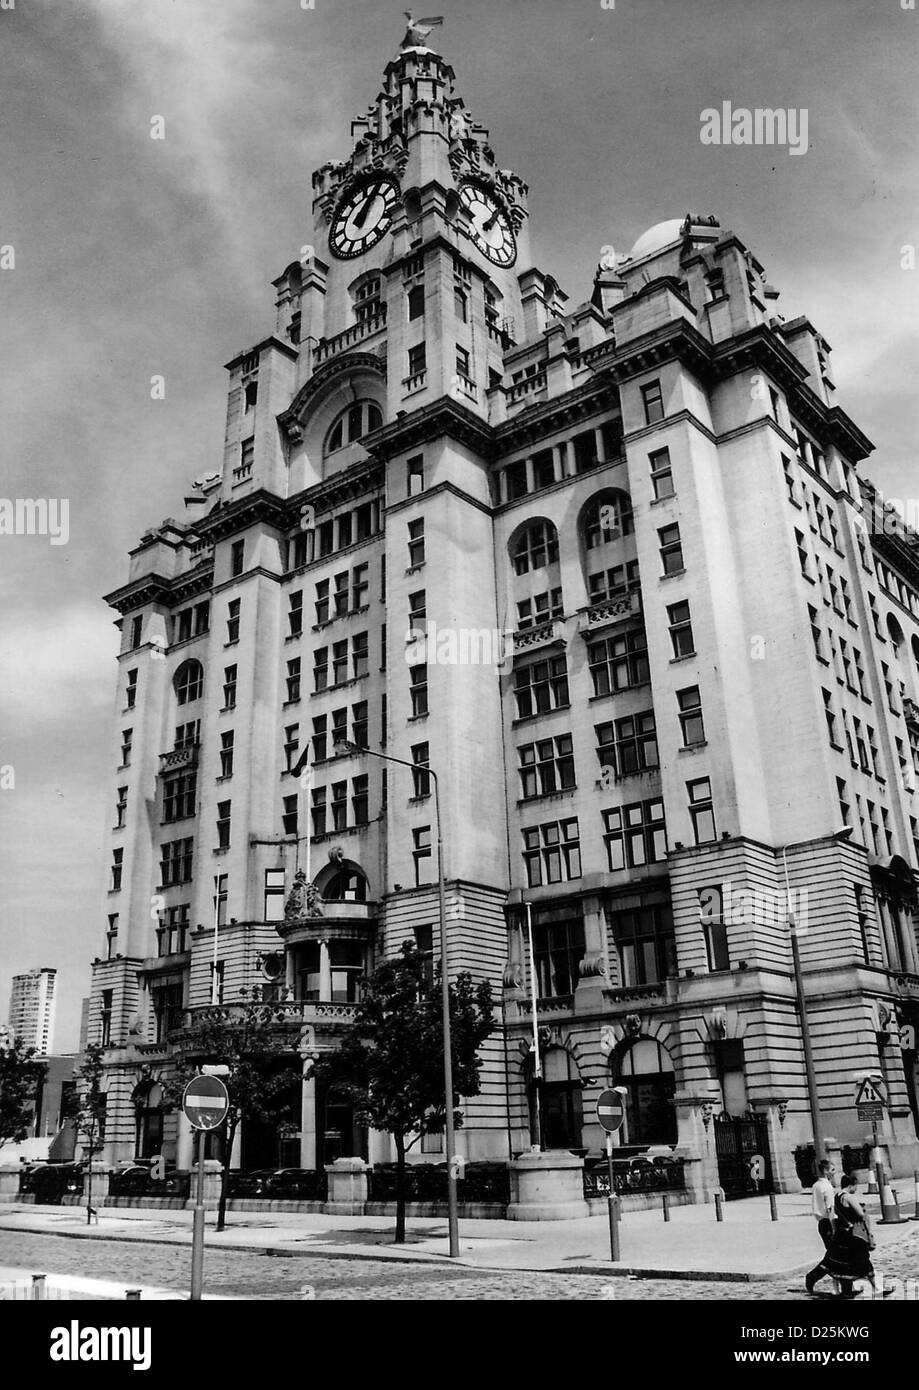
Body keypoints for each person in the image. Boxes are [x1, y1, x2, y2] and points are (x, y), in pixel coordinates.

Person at [806, 1173, 892, 1298]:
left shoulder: (837, 1196)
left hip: (842, 1234)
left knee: (839, 1262)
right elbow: (861, 1214)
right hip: (854, 1235)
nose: (856, 1189)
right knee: (863, 1261)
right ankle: (877, 1289)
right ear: (851, 1185)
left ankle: (846, 1290)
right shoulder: (849, 1197)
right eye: (855, 1186)